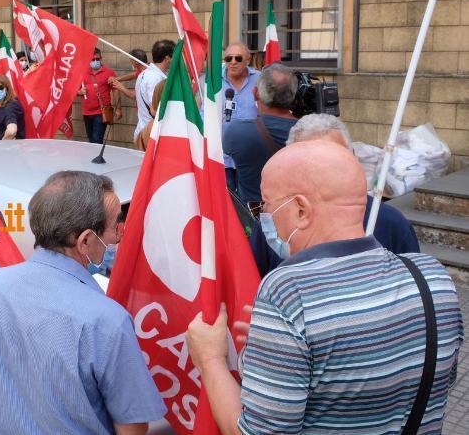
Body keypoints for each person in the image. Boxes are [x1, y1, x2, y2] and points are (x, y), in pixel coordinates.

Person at [186, 140, 463, 435]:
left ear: (301, 210)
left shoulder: (288, 293)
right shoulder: (432, 277)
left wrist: (210, 359)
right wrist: (276, 351)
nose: (263, 216)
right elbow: (440, 380)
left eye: (265, 205)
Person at [0, 171, 166, 433]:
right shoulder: (108, 321)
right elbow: (132, 428)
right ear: (85, 241)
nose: (119, 235)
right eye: (116, 225)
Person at [249, 114, 421, 277]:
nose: (324, 170)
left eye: (335, 158)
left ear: (353, 159)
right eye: (309, 162)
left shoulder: (392, 224)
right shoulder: (273, 221)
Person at [222, 63, 298, 204]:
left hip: (255, 213)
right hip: (295, 212)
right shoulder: (312, 131)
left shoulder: (238, 132)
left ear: (256, 93)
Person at [220, 42, 261, 192]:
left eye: (238, 58)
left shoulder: (260, 79)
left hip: (252, 156)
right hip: (222, 157)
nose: (232, 62)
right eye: (228, 58)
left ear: (248, 60)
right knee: (226, 200)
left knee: (249, 201)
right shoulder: (213, 81)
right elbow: (204, 115)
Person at [133, 39, 174, 141]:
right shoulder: (155, 78)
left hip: (146, 131)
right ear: (167, 58)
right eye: (173, 56)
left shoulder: (145, 74)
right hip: (152, 134)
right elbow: (155, 110)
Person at [78, 47, 117, 144]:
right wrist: (80, 92)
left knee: (96, 140)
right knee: (91, 140)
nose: (95, 61)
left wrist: (118, 108)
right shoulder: (82, 72)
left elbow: (115, 89)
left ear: (101, 58)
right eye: (93, 59)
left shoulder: (109, 72)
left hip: (101, 111)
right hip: (87, 112)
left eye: (97, 59)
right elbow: (74, 89)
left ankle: (98, 154)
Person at [0, 75, 24, 141]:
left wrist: (3, 143)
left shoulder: (11, 105)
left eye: (0, 87)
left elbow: (11, 131)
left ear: (7, 89)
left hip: (3, 147)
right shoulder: (1, 106)